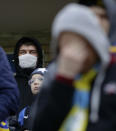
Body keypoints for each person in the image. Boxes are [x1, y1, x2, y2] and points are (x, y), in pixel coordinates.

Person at [32, 3, 116, 131]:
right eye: (65, 46)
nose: (70, 53)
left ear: (95, 43)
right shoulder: (55, 75)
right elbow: (40, 125)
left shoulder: (111, 71)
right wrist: (63, 82)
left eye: (79, 43)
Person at [13, 37, 43, 112]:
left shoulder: (48, 81)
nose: (27, 55)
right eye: (23, 52)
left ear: (39, 56)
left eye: (32, 52)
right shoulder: (10, 83)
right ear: (17, 56)